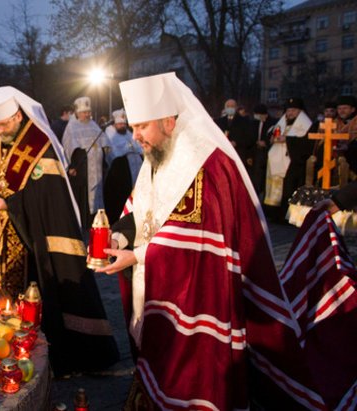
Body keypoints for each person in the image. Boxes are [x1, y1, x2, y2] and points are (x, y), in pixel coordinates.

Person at [98, 72, 329, 409]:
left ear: (167, 120)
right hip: (158, 281)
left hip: (199, 290)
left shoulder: (206, 163)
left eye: (141, 127)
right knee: (158, 354)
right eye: (132, 128)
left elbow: (199, 238)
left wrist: (137, 257)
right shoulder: (158, 154)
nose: (135, 137)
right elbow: (142, 208)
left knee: (192, 369)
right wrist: (119, 236)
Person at [0, 86, 119, 376]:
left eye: (4, 124)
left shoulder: (39, 144)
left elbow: (46, 199)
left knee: (36, 301)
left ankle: (40, 358)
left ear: (17, 116)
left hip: (30, 241)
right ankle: (4, 352)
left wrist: (10, 205)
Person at [62, 96, 109, 226]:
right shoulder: (72, 127)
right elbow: (68, 148)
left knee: (97, 194)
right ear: (77, 113)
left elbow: (104, 140)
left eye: (89, 112)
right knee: (83, 197)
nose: (87, 114)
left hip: (96, 169)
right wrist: (71, 166)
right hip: (82, 171)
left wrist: (105, 148)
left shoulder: (93, 125)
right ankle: (83, 223)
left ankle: (96, 221)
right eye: (84, 112)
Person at [264, 98, 312, 219]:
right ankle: (273, 213)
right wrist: (271, 138)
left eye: (294, 110)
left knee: (288, 188)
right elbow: (271, 133)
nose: (290, 113)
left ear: (300, 111)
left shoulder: (306, 124)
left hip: (292, 162)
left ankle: (286, 216)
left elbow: (305, 144)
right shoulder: (282, 122)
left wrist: (287, 140)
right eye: (288, 110)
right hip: (276, 160)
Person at [103, 109, 142, 223]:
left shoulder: (129, 133)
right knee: (119, 198)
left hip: (133, 169)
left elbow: (137, 147)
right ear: (115, 124)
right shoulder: (109, 133)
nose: (122, 126)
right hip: (119, 171)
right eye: (120, 124)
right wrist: (128, 149)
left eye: (124, 124)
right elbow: (113, 152)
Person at [248, 103, 277, 196]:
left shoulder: (272, 123)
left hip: (267, 152)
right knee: (256, 176)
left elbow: (273, 137)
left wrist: (266, 143)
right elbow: (250, 138)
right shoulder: (253, 123)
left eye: (259, 114)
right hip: (256, 153)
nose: (257, 116)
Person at [214, 98, 253, 167]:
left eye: (232, 106)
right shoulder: (219, 121)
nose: (230, 108)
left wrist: (236, 143)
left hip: (238, 154)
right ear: (225, 108)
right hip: (223, 155)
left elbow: (249, 139)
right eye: (228, 106)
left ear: (236, 108)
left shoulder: (244, 121)